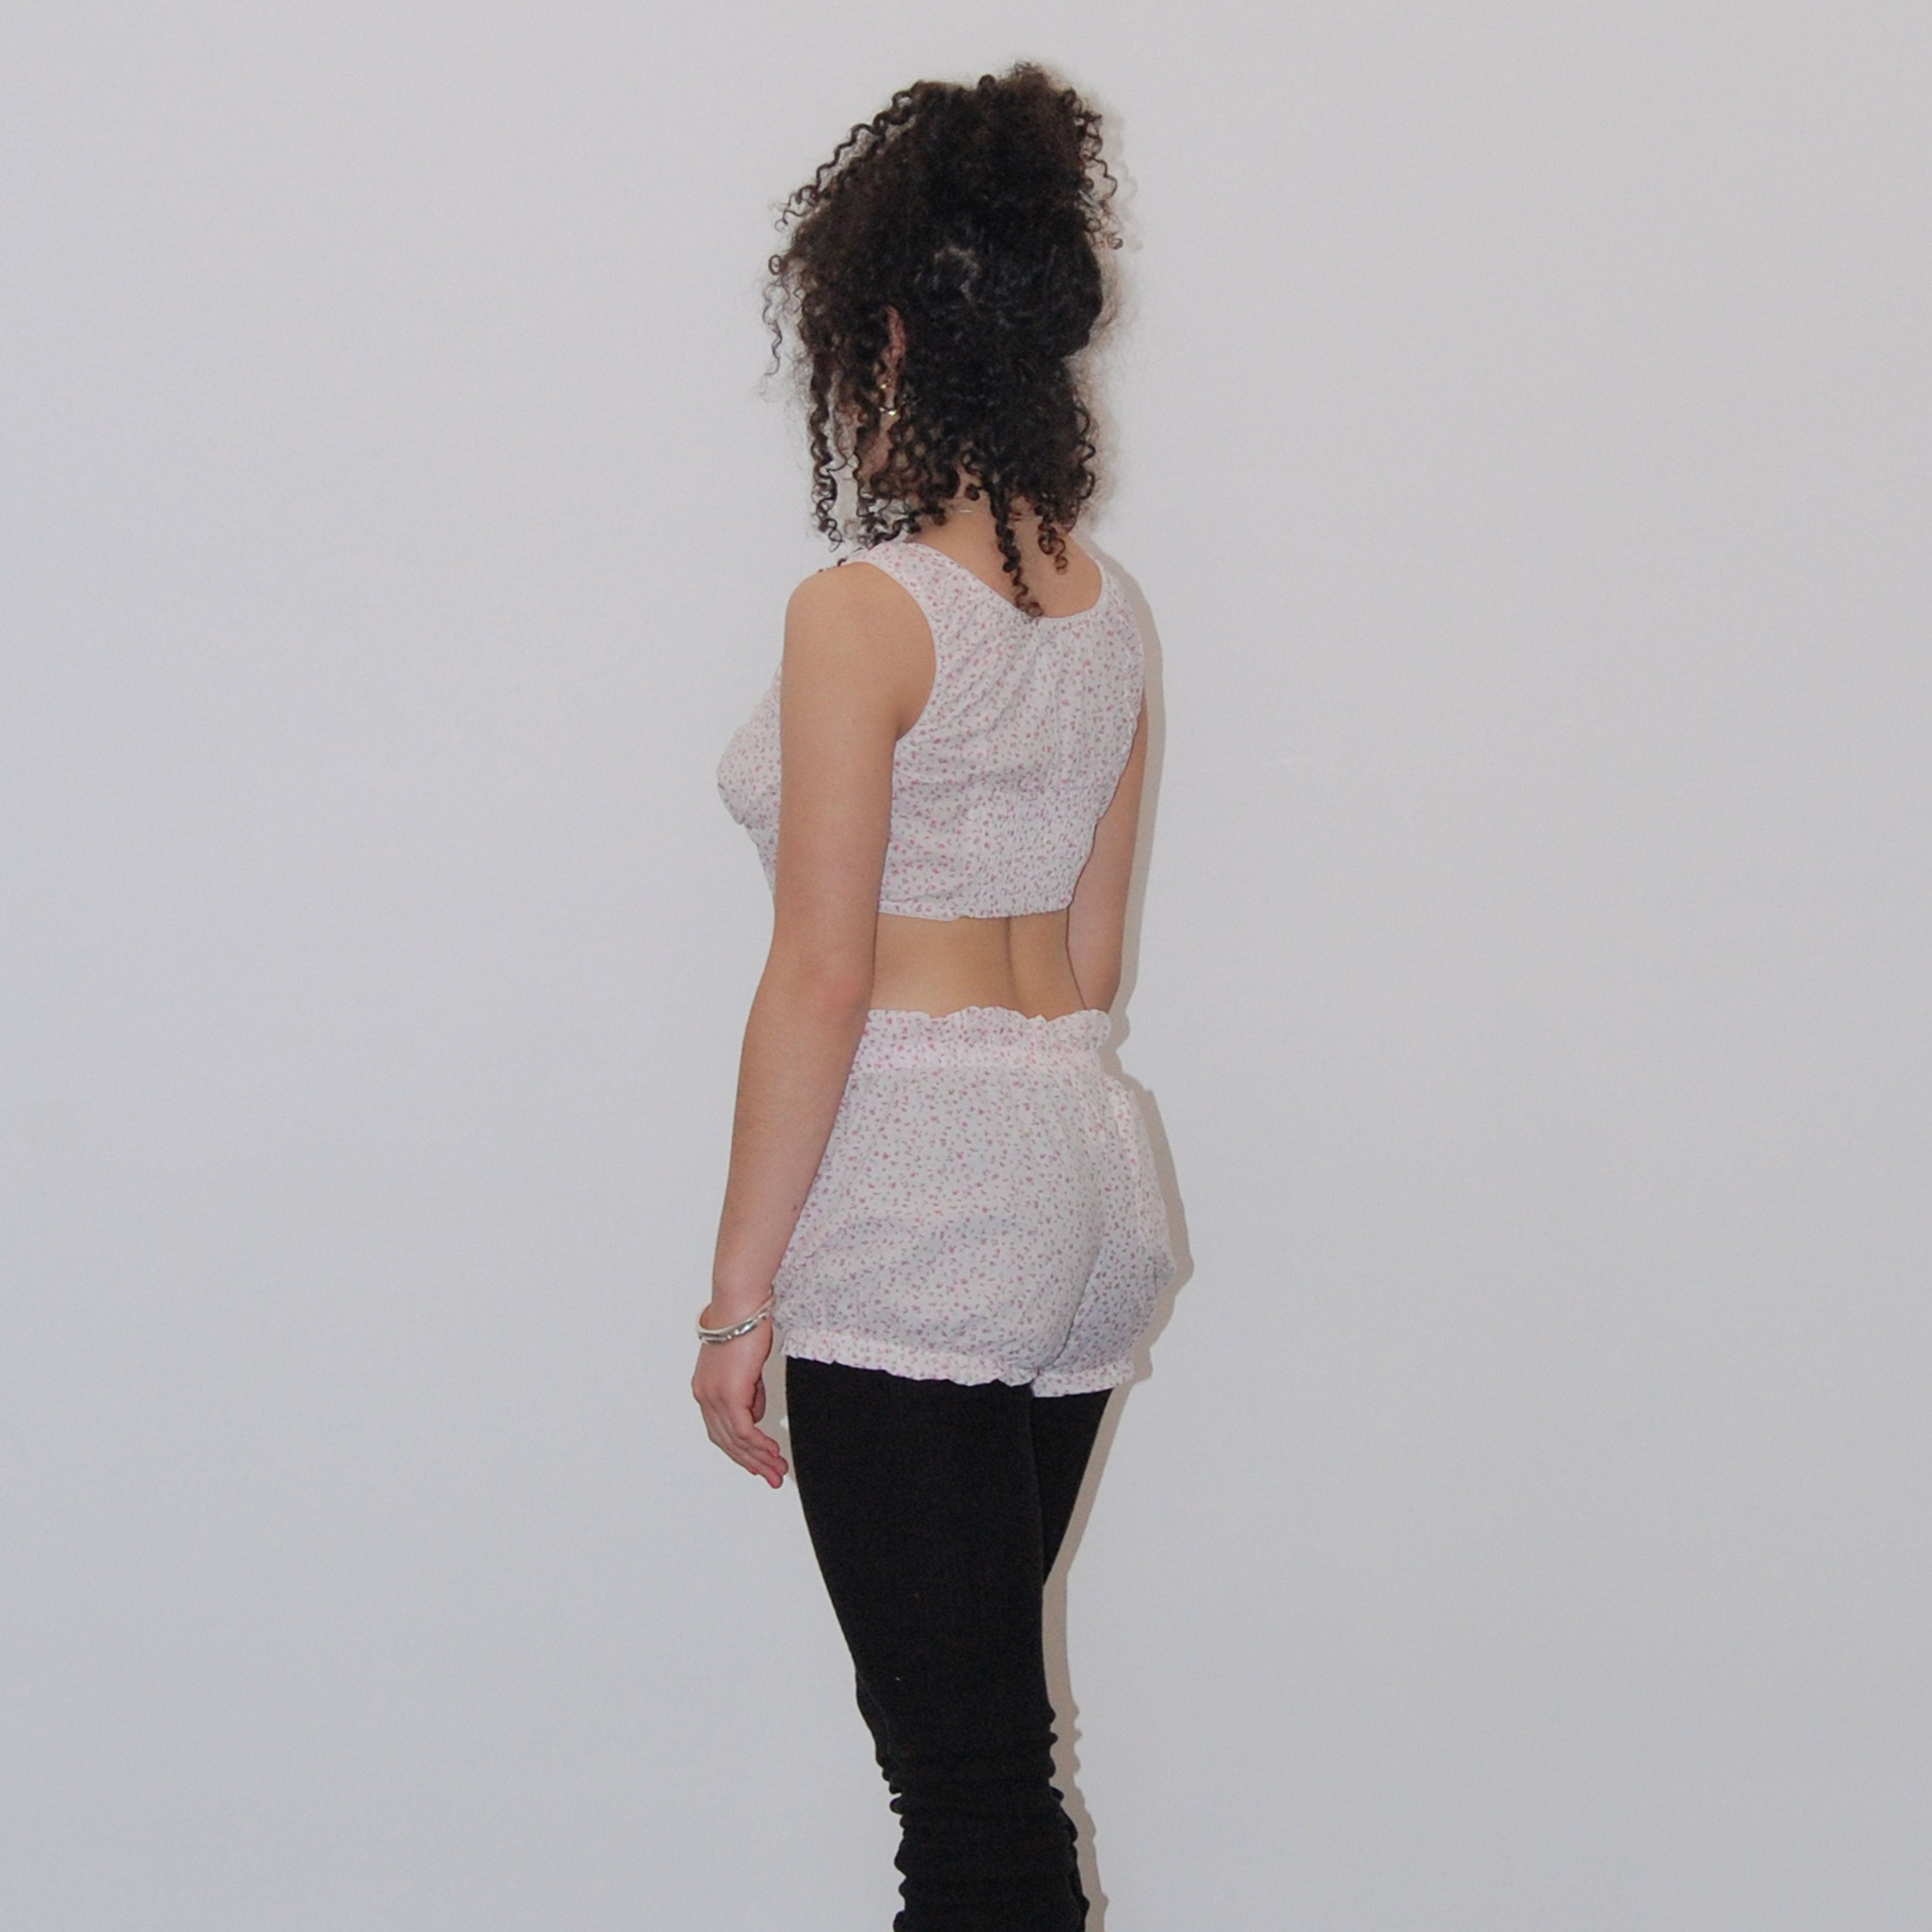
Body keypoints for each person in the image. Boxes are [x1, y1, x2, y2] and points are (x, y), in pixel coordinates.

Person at [697, 63, 1176, 1931]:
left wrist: (739, 1296)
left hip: (917, 1197)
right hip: (1079, 1174)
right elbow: (1089, 960)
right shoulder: (1103, 607)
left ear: (886, 325)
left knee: (967, 1796)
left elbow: (821, 972)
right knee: (991, 1759)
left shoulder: (865, 611)